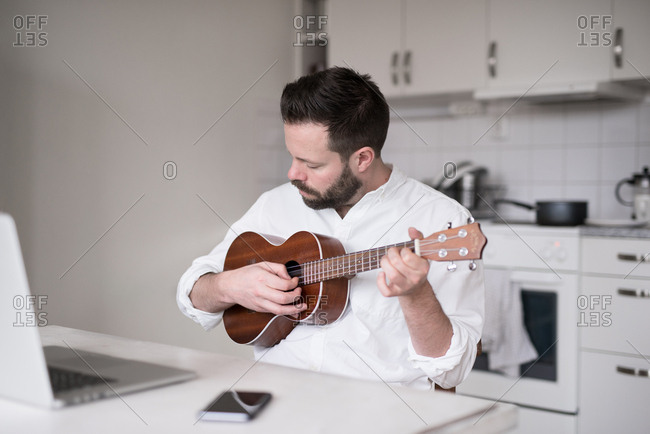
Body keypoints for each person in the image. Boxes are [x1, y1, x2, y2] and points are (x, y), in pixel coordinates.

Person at [177, 67, 484, 390]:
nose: (293, 173)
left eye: (311, 164)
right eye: (292, 157)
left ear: (362, 158)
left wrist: (416, 294)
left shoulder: (440, 219)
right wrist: (229, 286)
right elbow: (192, 295)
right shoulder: (276, 203)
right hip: (276, 403)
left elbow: (451, 372)